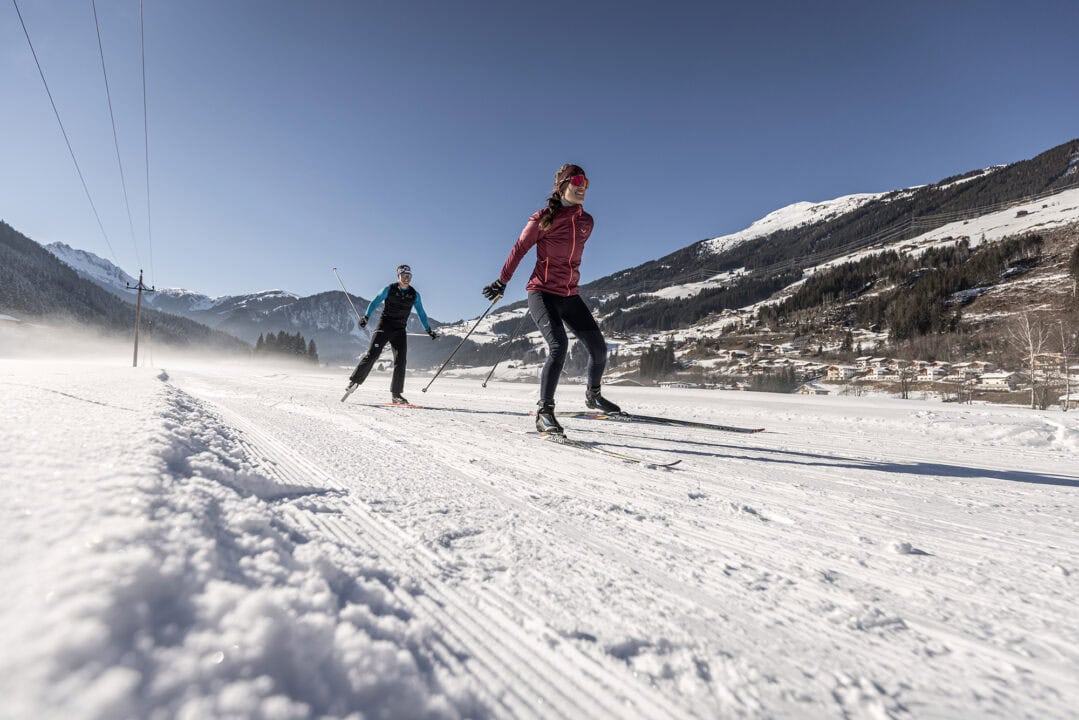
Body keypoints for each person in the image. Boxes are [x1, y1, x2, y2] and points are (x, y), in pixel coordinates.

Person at [482, 163, 621, 434]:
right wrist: (502, 282)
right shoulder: (542, 218)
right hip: (542, 292)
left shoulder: (586, 222)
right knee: (559, 346)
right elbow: (520, 249)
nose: (582, 187)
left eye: (586, 183)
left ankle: (593, 396)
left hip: (570, 294)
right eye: (577, 181)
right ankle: (544, 412)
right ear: (563, 185)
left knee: (599, 349)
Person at [346, 264, 438, 404]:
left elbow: (421, 312)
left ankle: (396, 394)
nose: (406, 279)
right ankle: (354, 381)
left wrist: (428, 329)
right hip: (385, 325)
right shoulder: (389, 289)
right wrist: (366, 317)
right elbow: (375, 301)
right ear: (398, 276)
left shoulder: (414, 295)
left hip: (400, 329)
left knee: (401, 361)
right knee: (373, 354)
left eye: (409, 276)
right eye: (403, 276)